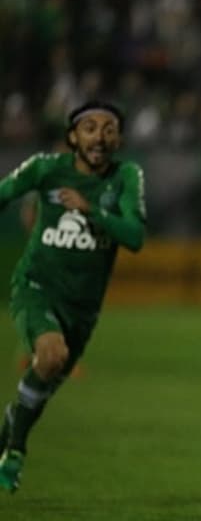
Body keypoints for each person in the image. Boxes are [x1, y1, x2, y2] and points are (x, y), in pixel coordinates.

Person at [0, 100, 146, 493]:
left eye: (109, 128)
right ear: (72, 137)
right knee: (51, 356)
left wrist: (92, 211)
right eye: (90, 127)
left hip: (83, 309)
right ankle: (15, 450)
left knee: (43, 385)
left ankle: (9, 433)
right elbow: (5, 192)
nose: (100, 136)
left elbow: (134, 237)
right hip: (36, 288)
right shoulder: (46, 169)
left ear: (119, 138)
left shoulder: (126, 177)